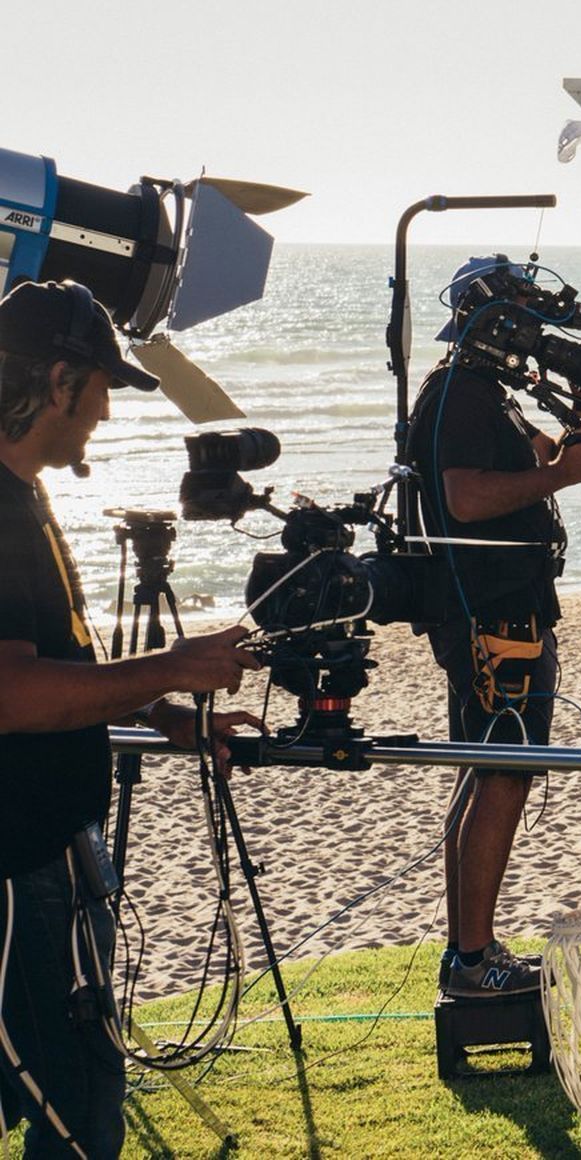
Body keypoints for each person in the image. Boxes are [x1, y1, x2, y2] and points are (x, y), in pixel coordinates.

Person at [0, 280, 262, 1156]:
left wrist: (166, 713)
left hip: (50, 847)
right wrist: (180, 662)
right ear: (59, 380)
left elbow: (63, 662)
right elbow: (11, 695)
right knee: (78, 1109)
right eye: (103, 385)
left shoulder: (25, 493)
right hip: (17, 867)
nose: (108, 411)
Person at [408, 256, 581, 998]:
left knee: (485, 776)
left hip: (503, 610)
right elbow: (464, 498)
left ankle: (469, 952)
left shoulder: (480, 394)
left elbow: (550, 456)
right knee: (503, 778)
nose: (534, 337)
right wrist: (561, 477)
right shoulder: (461, 394)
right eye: (523, 319)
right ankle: (472, 960)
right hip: (492, 619)